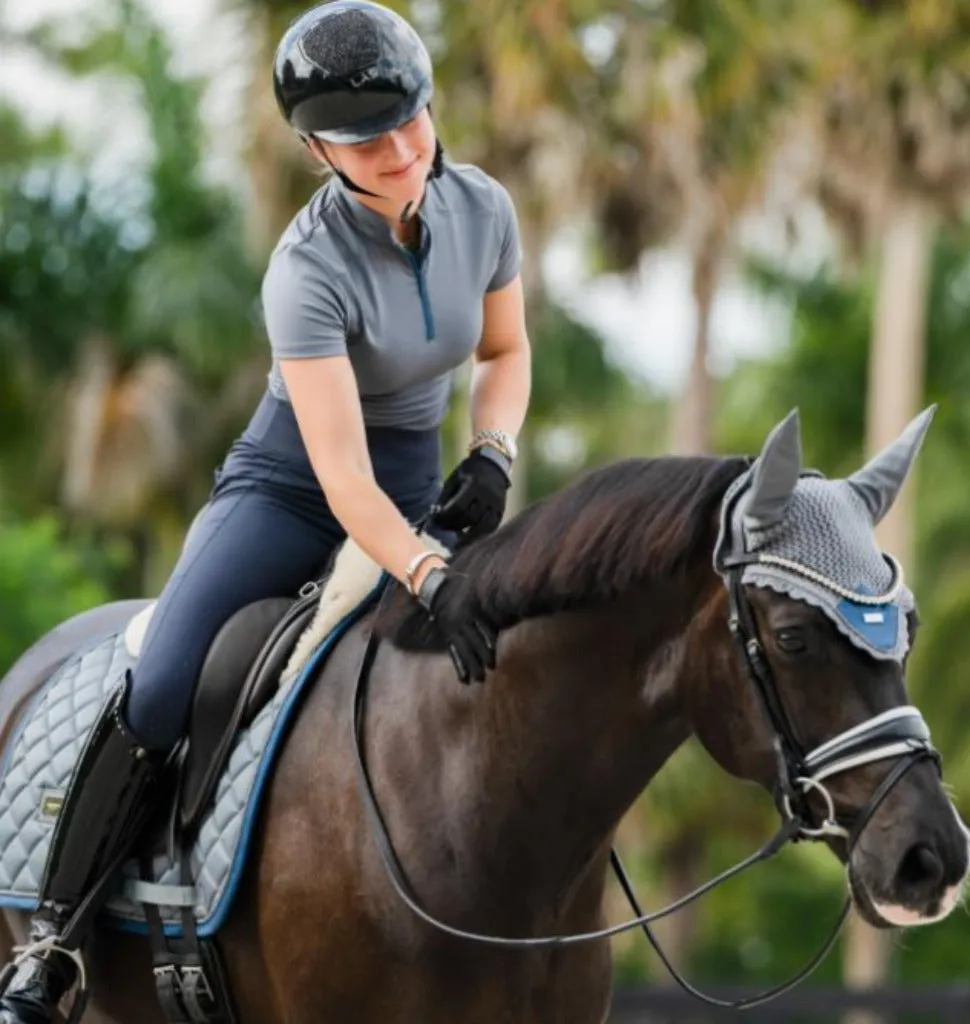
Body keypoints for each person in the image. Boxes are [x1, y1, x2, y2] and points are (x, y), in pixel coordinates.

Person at [0, 1, 531, 1019]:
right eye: (365, 143)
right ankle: (54, 945)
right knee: (160, 680)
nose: (401, 150)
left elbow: (502, 353)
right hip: (290, 491)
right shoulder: (306, 269)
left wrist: (494, 451)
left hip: (421, 478)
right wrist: (427, 572)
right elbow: (340, 481)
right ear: (312, 148)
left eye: (411, 122)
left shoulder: (484, 210)